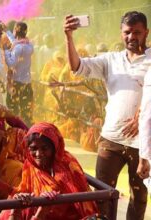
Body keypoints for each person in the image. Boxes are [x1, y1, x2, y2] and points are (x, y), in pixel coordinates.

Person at [64, 11, 149, 219]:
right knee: (102, 195)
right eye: (128, 32)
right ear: (121, 34)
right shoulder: (111, 60)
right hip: (111, 140)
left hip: (143, 145)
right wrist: (68, 36)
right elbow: (77, 67)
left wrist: (142, 115)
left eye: (137, 32)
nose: (132, 37)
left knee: (138, 198)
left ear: (146, 32)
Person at [0, 122, 98, 220]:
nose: (38, 154)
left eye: (44, 148)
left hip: (65, 216)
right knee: (7, 214)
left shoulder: (67, 165)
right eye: (33, 148)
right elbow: (24, 190)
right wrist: (0, 185)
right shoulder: (30, 164)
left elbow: (79, 202)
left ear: (54, 147)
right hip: (39, 211)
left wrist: (52, 198)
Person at [4, 22, 34, 125]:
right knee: (27, 111)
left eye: (13, 30)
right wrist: (6, 31)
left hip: (16, 84)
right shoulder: (29, 44)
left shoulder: (18, 48)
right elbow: (15, 41)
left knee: (13, 110)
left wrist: (6, 51)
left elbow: (11, 63)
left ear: (16, 31)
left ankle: (16, 134)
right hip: (27, 84)